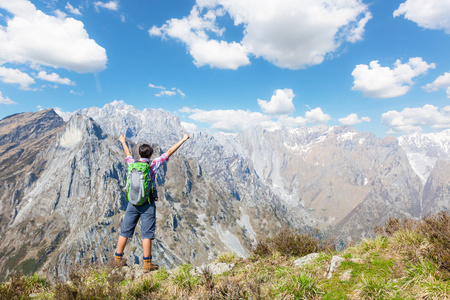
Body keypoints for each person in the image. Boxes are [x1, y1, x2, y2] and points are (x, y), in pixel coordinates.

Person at [114, 133, 190, 273]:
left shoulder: (132, 163)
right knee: (147, 233)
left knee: (125, 231)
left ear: (139, 153)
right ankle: (147, 264)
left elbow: (127, 153)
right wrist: (183, 140)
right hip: (147, 203)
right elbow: (169, 152)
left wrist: (123, 141)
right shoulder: (153, 164)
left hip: (132, 202)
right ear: (150, 155)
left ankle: (118, 260)